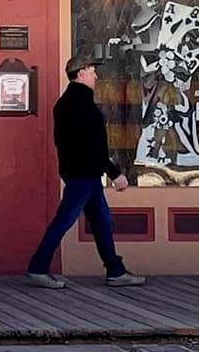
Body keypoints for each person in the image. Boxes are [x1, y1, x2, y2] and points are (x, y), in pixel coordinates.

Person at [26, 55, 147, 289]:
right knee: (65, 219)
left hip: (79, 173)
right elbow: (94, 146)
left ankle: (115, 270)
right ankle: (38, 267)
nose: (96, 76)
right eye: (92, 71)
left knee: (102, 222)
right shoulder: (82, 104)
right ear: (81, 73)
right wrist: (115, 173)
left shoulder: (65, 103)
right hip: (84, 174)